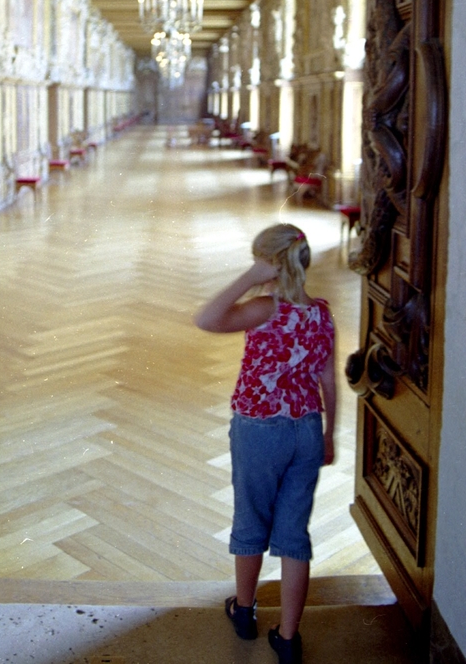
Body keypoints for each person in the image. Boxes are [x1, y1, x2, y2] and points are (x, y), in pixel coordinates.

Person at [194, 223, 336, 664]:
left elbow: (206, 319)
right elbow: (328, 380)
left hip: (259, 430)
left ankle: (244, 610)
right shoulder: (321, 313)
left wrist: (249, 278)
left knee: (251, 520)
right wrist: (330, 434)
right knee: (294, 535)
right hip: (307, 429)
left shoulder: (264, 308)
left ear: (268, 264)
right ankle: (288, 638)